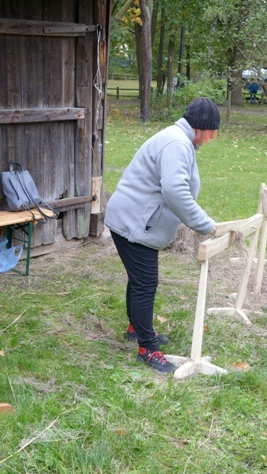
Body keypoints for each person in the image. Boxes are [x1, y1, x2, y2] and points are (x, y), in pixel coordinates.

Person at [104, 97, 220, 375]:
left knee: (139, 280)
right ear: (202, 128)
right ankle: (147, 348)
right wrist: (203, 224)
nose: (213, 138)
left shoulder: (178, 138)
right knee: (146, 283)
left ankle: (136, 328)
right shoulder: (177, 144)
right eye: (213, 132)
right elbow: (175, 191)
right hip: (135, 224)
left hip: (134, 220)